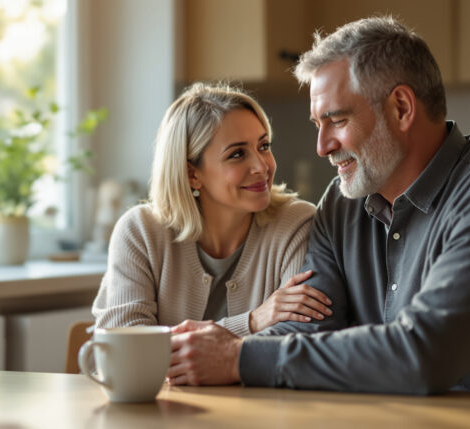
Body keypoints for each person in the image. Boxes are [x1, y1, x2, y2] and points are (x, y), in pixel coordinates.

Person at [165, 17, 470, 399]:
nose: (322, 147)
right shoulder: (341, 204)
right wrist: (212, 357)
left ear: (401, 107)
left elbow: (424, 355)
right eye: (318, 125)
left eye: (336, 120)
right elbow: (308, 330)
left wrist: (237, 356)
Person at [92, 83, 332, 337]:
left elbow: (296, 340)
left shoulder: (296, 224)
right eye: (237, 154)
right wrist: (252, 321)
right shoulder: (140, 232)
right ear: (191, 174)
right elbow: (124, 348)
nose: (261, 166)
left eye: (263, 146)